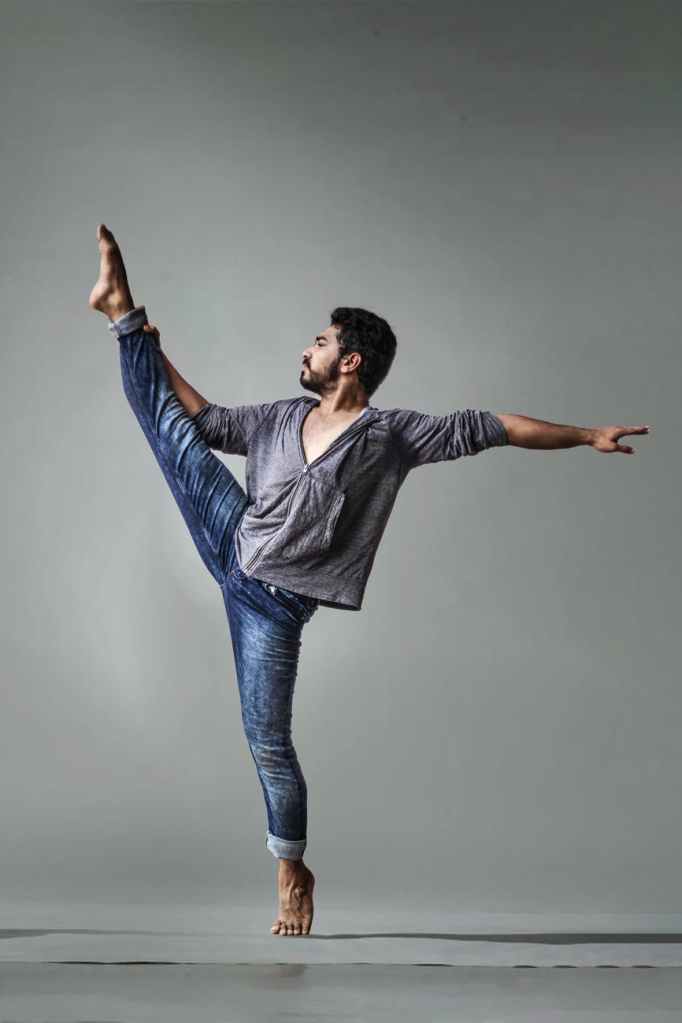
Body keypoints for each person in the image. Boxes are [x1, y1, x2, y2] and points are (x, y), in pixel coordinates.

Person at [88, 223, 650, 936]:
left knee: (268, 743)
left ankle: (292, 868)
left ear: (349, 360)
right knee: (169, 428)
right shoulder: (280, 417)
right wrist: (151, 349)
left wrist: (585, 433)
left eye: (319, 342)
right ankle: (122, 312)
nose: (306, 349)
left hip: (272, 606)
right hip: (233, 535)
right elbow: (208, 420)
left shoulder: (392, 436)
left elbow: (498, 427)